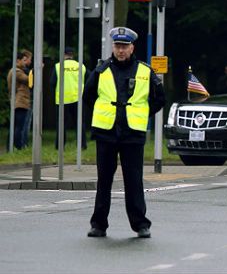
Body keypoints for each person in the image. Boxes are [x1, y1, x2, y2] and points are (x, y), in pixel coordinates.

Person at [83, 27, 165, 238]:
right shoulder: (101, 70)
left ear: (132, 48)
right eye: (118, 46)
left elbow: (159, 98)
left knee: (134, 180)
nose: (121, 50)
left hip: (132, 133)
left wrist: (142, 113)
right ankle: (98, 224)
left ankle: (140, 224)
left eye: (125, 46)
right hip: (106, 132)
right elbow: (88, 96)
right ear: (113, 47)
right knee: (104, 180)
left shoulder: (145, 71)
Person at [50, 47, 87, 149]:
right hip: (77, 98)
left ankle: (60, 146)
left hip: (62, 100)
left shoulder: (58, 66)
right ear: (72, 55)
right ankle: (82, 145)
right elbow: (88, 79)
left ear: (64, 55)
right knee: (80, 123)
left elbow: (52, 83)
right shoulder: (81, 66)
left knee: (61, 124)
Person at [6, 50, 32, 150]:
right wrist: (35, 71)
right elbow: (29, 80)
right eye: (23, 60)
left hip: (18, 101)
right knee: (19, 127)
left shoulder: (15, 71)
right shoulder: (17, 72)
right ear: (18, 60)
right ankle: (18, 147)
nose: (25, 63)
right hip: (20, 102)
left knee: (15, 126)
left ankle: (11, 147)